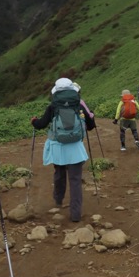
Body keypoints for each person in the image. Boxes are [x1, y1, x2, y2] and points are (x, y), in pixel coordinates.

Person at [30, 78, 96, 223]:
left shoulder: (53, 106)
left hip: (57, 146)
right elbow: (90, 125)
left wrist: (34, 121)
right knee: (75, 180)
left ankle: (58, 200)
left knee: (59, 173)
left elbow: (41, 124)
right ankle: (76, 214)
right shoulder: (78, 104)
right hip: (75, 148)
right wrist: (91, 117)